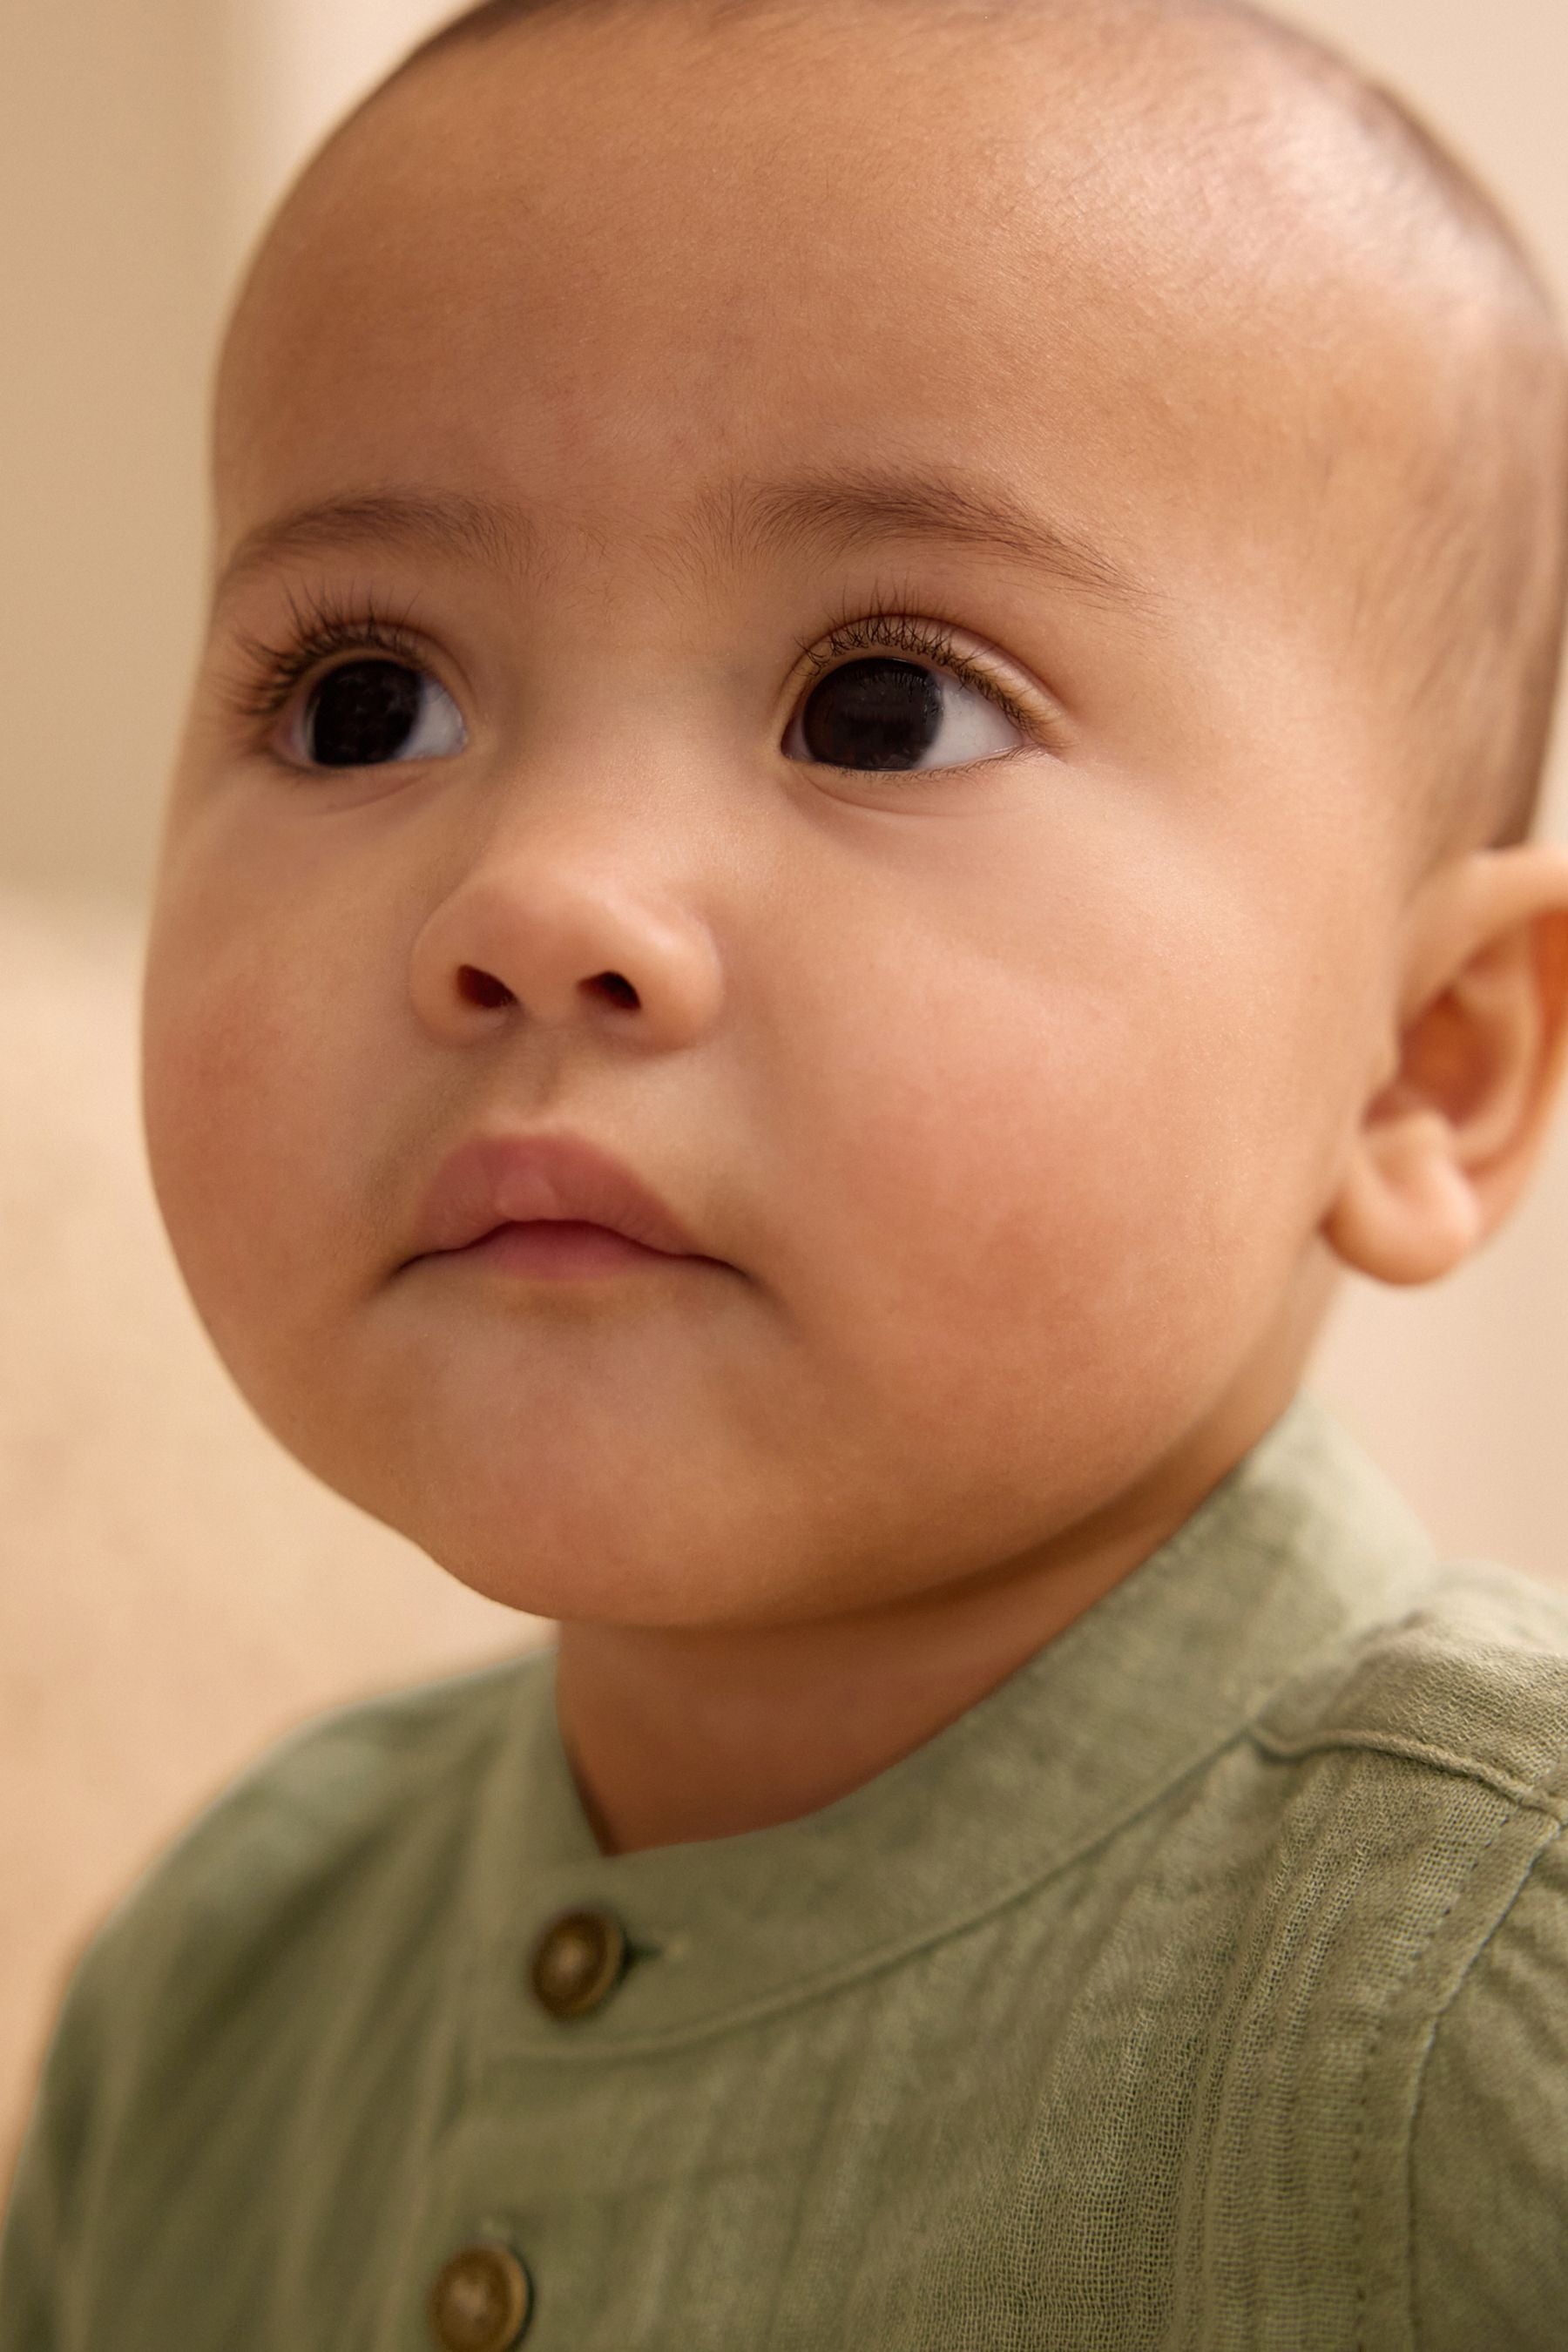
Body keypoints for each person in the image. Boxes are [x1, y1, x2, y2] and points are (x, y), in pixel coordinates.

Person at [5, 0, 1568, 2341]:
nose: (540, 898)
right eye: (365, 699)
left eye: (885, 706)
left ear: (1419, 1071)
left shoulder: (1480, 1990)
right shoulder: (227, 1977)